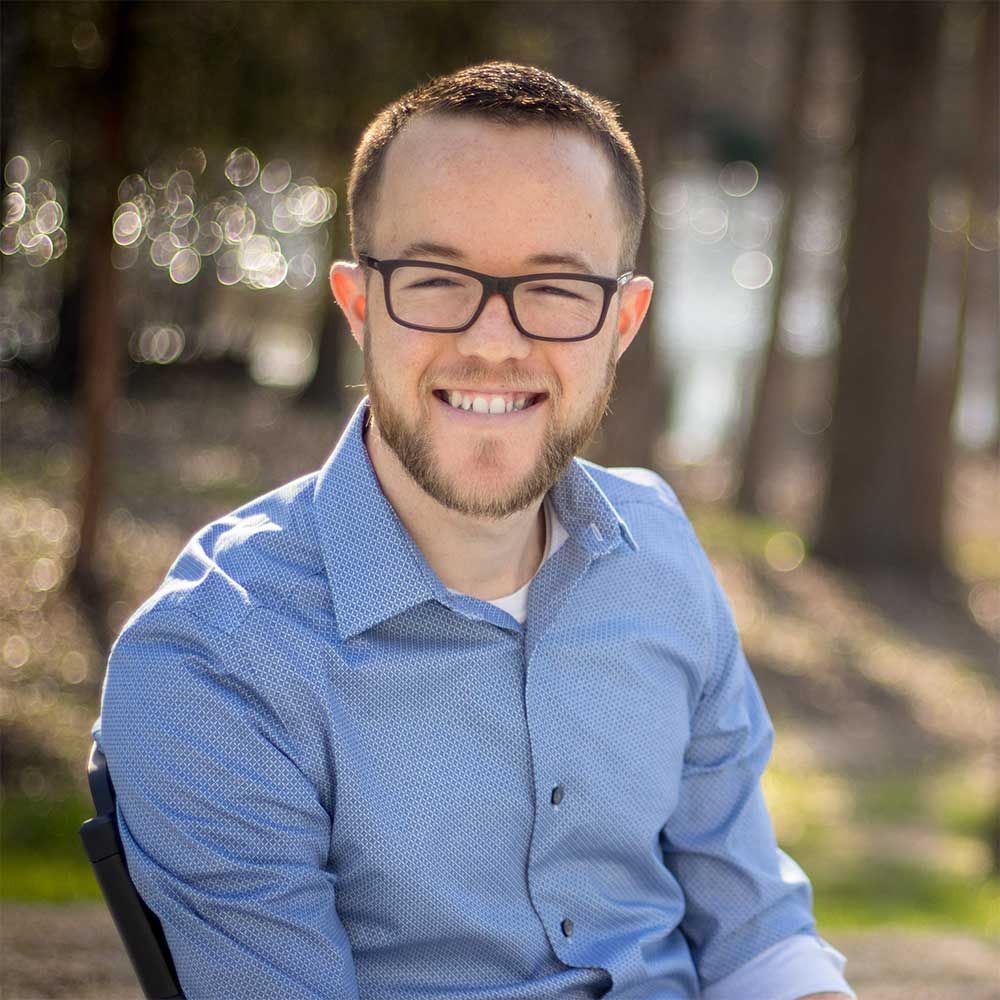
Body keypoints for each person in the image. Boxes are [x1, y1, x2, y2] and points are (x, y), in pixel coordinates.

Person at [94, 62, 856, 1000]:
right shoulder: (219, 663)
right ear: (359, 302)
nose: (495, 342)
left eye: (556, 288)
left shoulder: (659, 553)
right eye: (437, 278)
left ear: (622, 321)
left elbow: (757, 936)